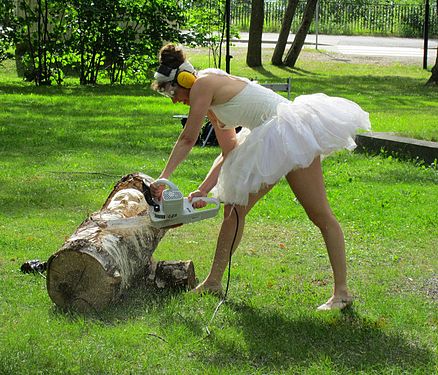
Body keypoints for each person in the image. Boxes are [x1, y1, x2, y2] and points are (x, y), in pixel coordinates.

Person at [150, 44, 371, 310]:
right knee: (233, 208)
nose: (174, 99)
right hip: (273, 136)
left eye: (173, 91)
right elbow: (229, 150)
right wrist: (203, 189)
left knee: (320, 214)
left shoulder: (203, 85)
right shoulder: (209, 100)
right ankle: (213, 282)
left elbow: (188, 138)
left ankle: (342, 292)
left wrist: (162, 180)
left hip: (288, 132)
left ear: (184, 80)